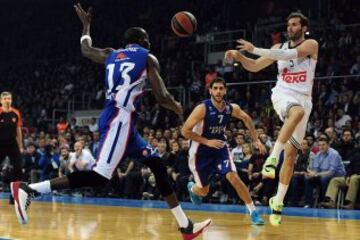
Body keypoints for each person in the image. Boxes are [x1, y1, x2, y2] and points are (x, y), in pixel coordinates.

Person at [10, 4, 211, 239]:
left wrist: (86, 26)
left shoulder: (110, 54)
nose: (149, 42)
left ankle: (185, 225)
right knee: (100, 176)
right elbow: (162, 96)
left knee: (156, 164)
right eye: (147, 39)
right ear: (141, 41)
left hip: (122, 122)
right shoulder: (148, 57)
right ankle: (30, 189)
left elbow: (86, 49)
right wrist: (179, 108)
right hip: (120, 119)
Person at [225, 12, 318, 225]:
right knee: (296, 113)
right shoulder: (276, 48)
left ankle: (278, 200)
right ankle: (272, 159)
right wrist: (241, 57)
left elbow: (289, 55)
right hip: (283, 94)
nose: (290, 28)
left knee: (292, 154)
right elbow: (255, 66)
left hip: (305, 99)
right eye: (288, 25)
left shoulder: (311, 45)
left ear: (303, 27)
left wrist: (254, 49)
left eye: (295, 25)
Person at [181, 77, 266, 225]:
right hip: (200, 152)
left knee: (233, 177)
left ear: (225, 90)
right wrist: (207, 141)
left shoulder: (230, 108)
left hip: (220, 148)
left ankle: (253, 212)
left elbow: (247, 119)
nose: (218, 91)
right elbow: (185, 131)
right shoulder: (202, 108)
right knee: (204, 191)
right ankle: (193, 188)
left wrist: (256, 140)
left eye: (221, 88)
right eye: (215, 88)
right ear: (210, 91)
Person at [0, 91, 24, 204]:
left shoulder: (16, 113)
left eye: (9, 98)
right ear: (1, 101)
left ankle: (14, 196)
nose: (7, 100)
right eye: (5, 99)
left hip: (12, 144)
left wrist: (21, 146)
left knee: (18, 169)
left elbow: (18, 130)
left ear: (11, 100)